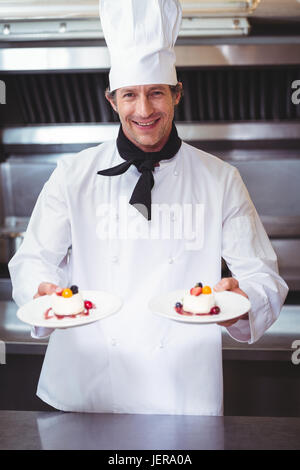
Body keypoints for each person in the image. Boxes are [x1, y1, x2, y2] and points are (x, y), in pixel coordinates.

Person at [8, 0, 288, 415]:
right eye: (130, 95)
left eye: (156, 92)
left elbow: (263, 278)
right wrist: (43, 291)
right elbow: (32, 261)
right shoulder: (72, 174)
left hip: (181, 394)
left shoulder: (220, 179)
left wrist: (241, 302)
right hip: (84, 389)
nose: (144, 110)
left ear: (177, 93)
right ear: (112, 100)